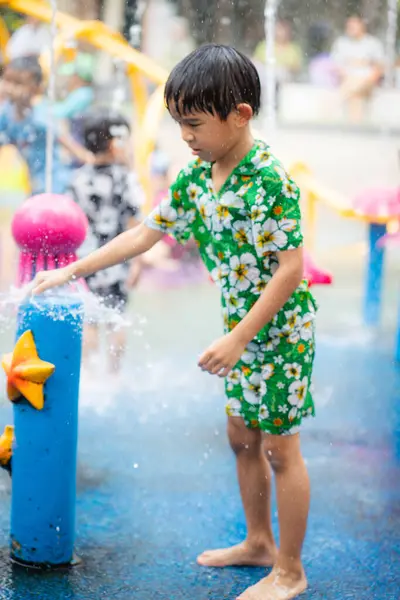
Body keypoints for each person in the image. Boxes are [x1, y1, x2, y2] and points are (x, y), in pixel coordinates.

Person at [31, 44, 317, 600]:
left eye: (194, 123)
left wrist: (238, 338)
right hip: (240, 328)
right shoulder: (198, 175)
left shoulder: (269, 182)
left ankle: (290, 570)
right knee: (242, 436)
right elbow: (145, 234)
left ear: (240, 114)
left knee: (281, 448)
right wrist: (76, 269)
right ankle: (259, 542)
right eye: (178, 124)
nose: (184, 136)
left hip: (279, 332)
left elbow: (290, 272)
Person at [68, 109, 144, 374]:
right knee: (116, 319)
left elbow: (72, 222)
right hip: (117, 259)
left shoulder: (78, 179)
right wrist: (137, 263)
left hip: (86, 260)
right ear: (113, 144)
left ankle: (88, 373)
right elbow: (136, 224)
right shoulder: (124, 178)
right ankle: (113, 375)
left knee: (89, 319)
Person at [0, 56, 93, 195]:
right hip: (33, 184)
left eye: (18, 83)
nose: (10, 88)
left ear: (36, 88)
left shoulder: (40, 114)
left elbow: (67, 142)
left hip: (55, 184)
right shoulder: (6, 113)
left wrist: (91, 160)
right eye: (7, 80)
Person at [331, 15, 385, 122]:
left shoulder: (373, 43)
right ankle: (355, 129)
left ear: (362, 26)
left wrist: (367, 80)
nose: (350, 29)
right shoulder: (341, 43)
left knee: (351, 88)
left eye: (353, 26)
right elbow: (335, 66)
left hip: (367, 82)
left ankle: (330, 110)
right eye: (348, 26)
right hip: (347, 81)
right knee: (356, 98)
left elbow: (380, 68)